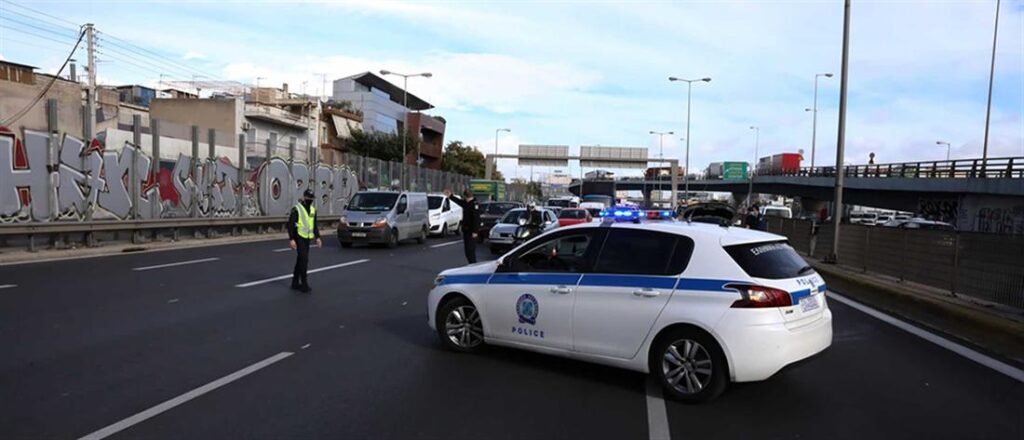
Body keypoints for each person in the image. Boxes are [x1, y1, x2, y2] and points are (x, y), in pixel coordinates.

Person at [287, 189, 322, 292]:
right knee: (304, 260)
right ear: (304, 197)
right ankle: (304, 283)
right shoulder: (297, 209)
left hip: (307, 238)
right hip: (299, 237)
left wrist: (318, 237)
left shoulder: (312, 210)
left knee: (301, 260)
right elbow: (290, 225)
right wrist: (291, 239)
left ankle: (294, 282)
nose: (310, 200)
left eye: (311, 198)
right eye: (308, 198)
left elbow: (314, 225)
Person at [445, 189, 480, 264]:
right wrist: (451, 196)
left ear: (465, 196)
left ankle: (474, 266)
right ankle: (471, 265)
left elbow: (476, 219)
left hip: (471, 231)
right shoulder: (467, 203)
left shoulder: (474, 204)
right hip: (466, 230)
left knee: (470, 251)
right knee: (467, 251)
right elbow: (459, 202)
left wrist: (475, 231)